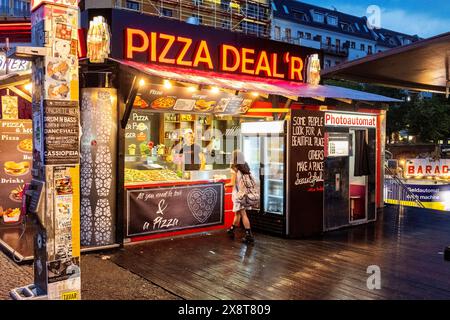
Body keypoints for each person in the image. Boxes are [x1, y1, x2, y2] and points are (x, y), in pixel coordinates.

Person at [225, 150, 255, 243]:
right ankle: (232, 230)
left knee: (243, 214)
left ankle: (249, 235)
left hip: (239, 195)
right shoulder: (245, 166)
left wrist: (224, 185)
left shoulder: (234, 168)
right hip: (245, 193)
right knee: (237, 213)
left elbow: (232, 183)